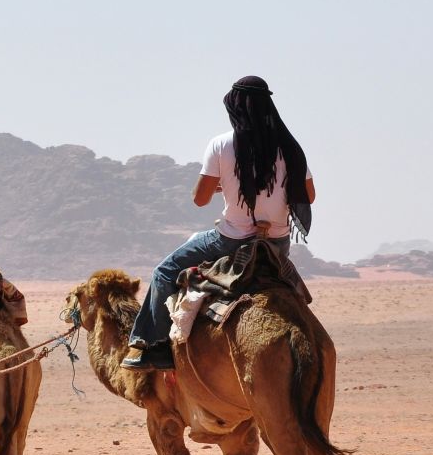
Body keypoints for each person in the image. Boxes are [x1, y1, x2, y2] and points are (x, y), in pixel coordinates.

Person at [123, 75, 316, 370]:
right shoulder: (290, 147)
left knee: (163, 272)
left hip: (230, 240)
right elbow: (309, 196)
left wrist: (223, 185)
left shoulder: (222, 144)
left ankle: (154, 345)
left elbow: (199, 199)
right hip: (276, 244)